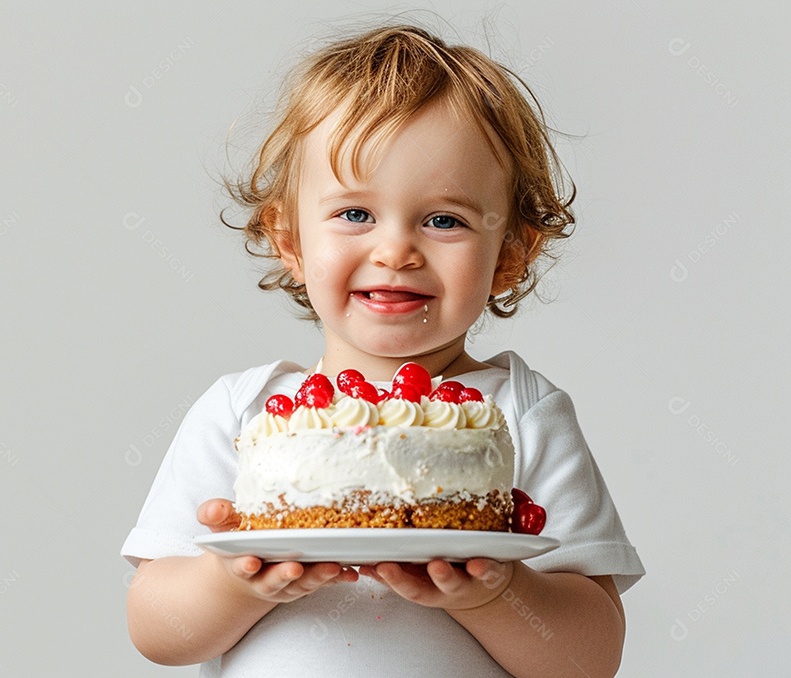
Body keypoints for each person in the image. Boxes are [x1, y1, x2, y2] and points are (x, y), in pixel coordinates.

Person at [121, 23, 644, 677]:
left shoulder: (522, 414)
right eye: (355, 214)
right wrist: (236, 582)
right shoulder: (244, 412)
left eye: (444, 220)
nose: (396, 251)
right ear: (290, 241)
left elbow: (586, 659)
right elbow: (156, 631)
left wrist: (498, 592)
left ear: (510, 254)